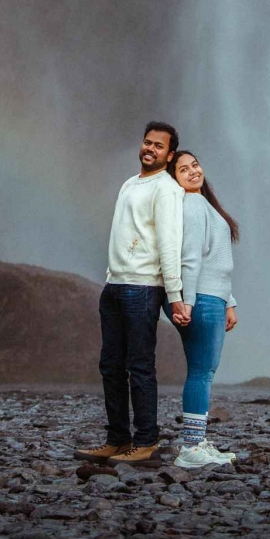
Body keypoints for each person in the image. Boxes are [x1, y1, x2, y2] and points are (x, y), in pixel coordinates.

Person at [75, 121, 187, 466]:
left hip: (142, 288)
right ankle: (117, 439)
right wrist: (110, 279)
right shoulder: (129, 184)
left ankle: (146, 442)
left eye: (158, 146)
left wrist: (176, 294)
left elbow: (170, 244)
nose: (150, 149)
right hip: (115, 285)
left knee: (139, 367)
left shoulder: (166, 189)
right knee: (110, 366)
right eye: (147, 142)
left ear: (169, 156)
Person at [167, 149, 240, 468]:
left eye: (195, 164)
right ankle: (191, 449)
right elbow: (191, 258)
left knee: (203, 371)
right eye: (183, 169)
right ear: (174, 180)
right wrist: (188, 302)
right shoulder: (192, 204)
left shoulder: (203, 203)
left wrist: (230, 302)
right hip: (202, 298)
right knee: (201, 371)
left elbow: (217, 261)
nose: (193, 171)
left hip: (213, 297)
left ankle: (196, 443)